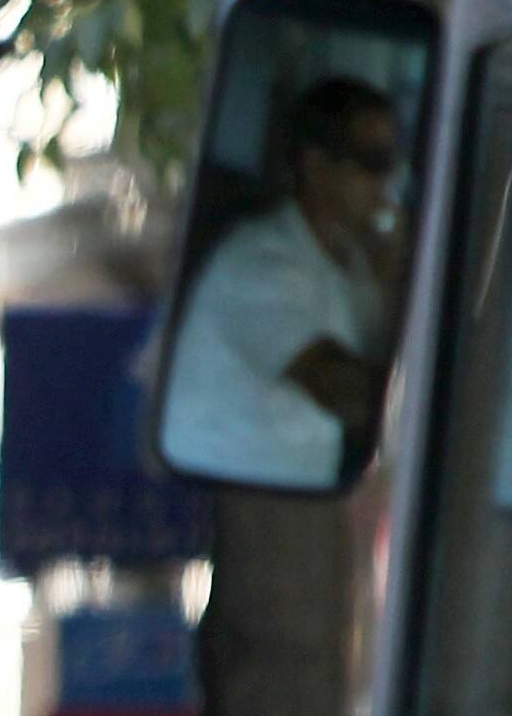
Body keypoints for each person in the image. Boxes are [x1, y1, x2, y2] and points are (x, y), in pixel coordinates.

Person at [156, 73, 408, 484]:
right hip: (229, 489)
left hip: (302, 482)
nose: (387, 183)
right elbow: (348, 394)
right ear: (317, 166)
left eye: (392, 163)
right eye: (373, 161)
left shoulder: (356, 259)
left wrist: (395, 273)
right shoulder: (259, 264)